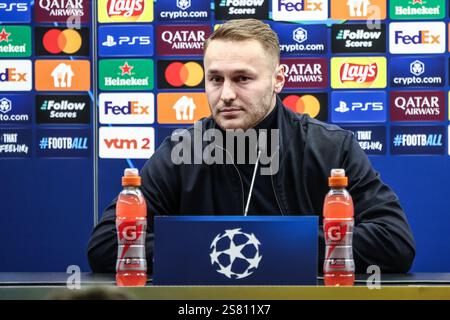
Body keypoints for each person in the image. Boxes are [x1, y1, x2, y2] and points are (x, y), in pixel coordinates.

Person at [87, 19, 415, 274]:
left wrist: (259, 245)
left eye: (242, 78)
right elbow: (105, 245)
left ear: (278, 80)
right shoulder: (180, 151)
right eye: (215, 79)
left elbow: (394, 242)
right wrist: (233, 248)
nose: (226, 94)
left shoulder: (330, 148)